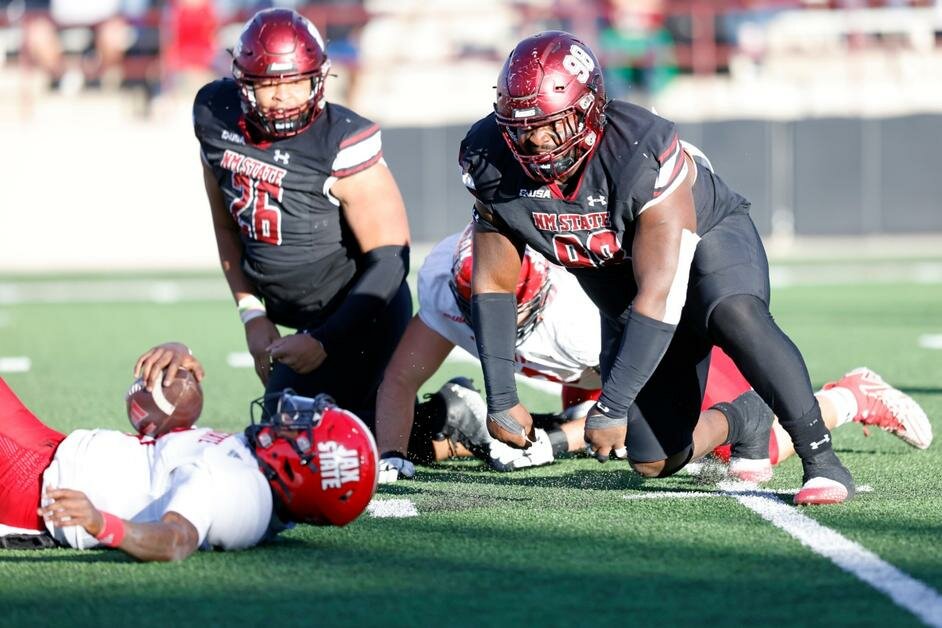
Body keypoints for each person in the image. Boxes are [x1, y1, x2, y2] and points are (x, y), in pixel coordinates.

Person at [459, 31, 858, 505]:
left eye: (551, 125)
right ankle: (745, 418)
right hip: (620, 283)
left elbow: (662, 294)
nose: (535, 142)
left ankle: (823, 460)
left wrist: (612, 402)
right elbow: (493, 282)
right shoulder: (490, 160)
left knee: (733, 313)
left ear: (588, 111)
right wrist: (502, 397)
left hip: (706, 242)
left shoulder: (638, 148)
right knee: (653, 458)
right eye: (521, 127)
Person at [375, 226, 933, 484]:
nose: (492, 324)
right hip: (589, 365)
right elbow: (401, 378)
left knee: (711, 450)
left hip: (650, 343)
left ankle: (849, 396)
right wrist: (392, 457)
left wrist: (561, 437)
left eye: (505, 309)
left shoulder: (573, 308)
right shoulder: (450, 287)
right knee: (597, 423)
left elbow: (630, 381)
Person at [193, 8, 412, 430]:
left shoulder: (341, 139)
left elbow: (391, 262)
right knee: (293, 427)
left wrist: (324, 340)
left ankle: (446, 421)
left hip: (360, 320)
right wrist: (252, 314)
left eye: (296, 82)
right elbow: (226, 227)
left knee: (304, 431)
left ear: (318, 78)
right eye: (267, 85)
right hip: (301, 322)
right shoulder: (214, 117)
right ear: (242, 82)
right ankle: (440, 419)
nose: (283, 97)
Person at [0, 343, 378, 560]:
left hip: (31, 490)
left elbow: (175, 539)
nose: (294, 416)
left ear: (301, 470)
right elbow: (173, 454)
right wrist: (179, 357)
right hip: (52, 450)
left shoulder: (239, 490)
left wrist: (102, 524)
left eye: (305, 428)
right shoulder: (251, 469)